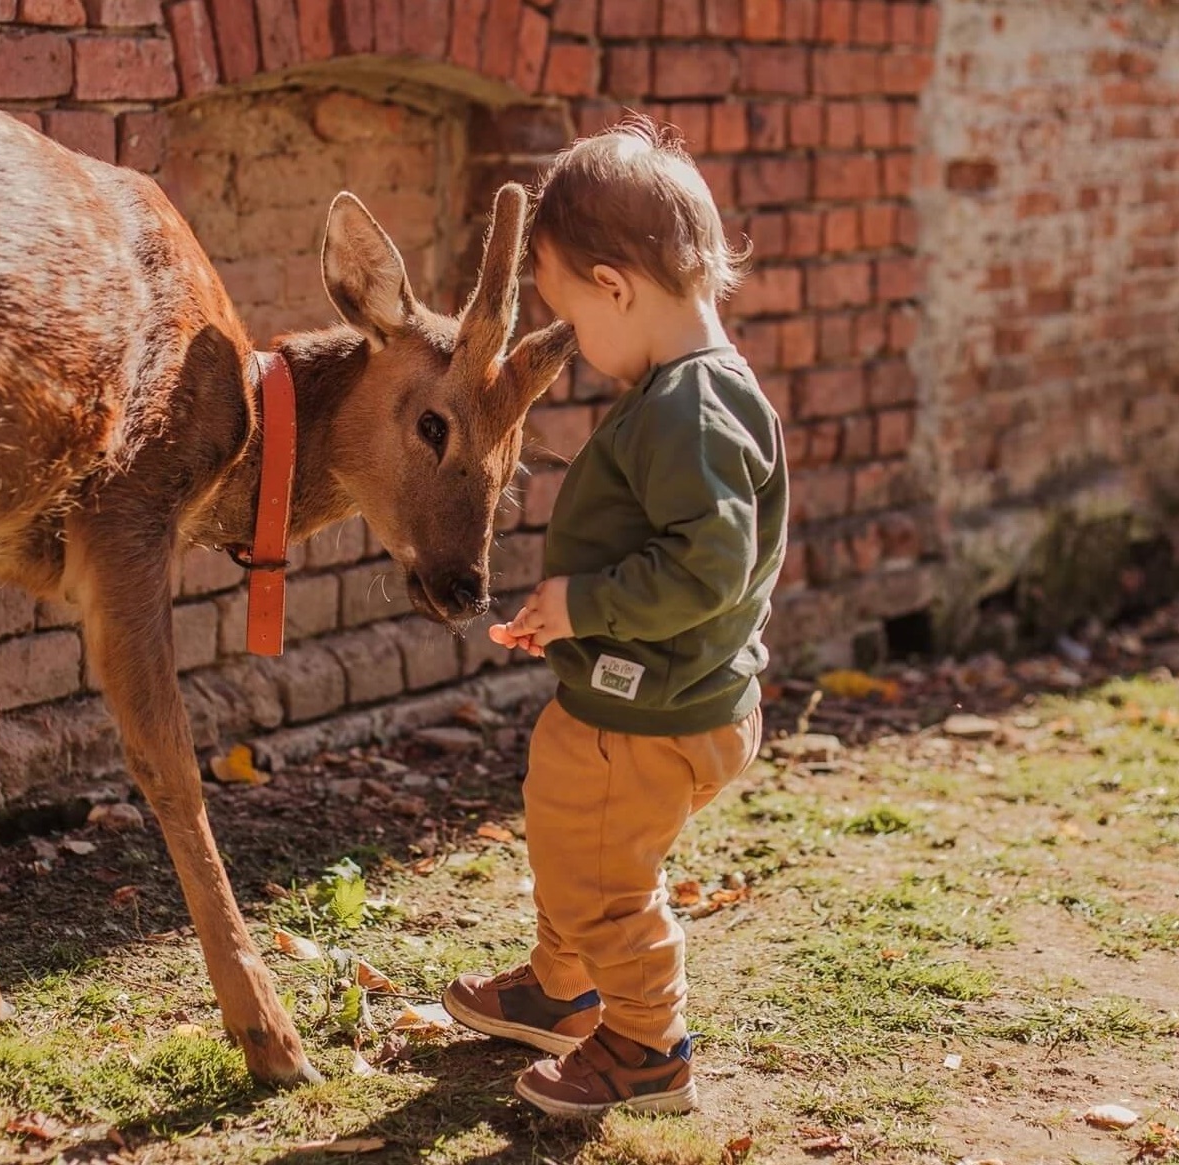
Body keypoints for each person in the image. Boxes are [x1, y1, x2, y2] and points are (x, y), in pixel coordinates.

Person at [441, 115, 790, 1118]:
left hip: (658, 712)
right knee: (567, 829)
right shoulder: (698, 390)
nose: (581, 351)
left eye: (575, 321)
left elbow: (708, 568)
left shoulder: (690, 410)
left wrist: (584, 602)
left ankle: (644, 1047)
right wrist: (573, 617)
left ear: (616, 287)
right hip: (633, 693)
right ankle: (563, 987)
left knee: (604, 876)